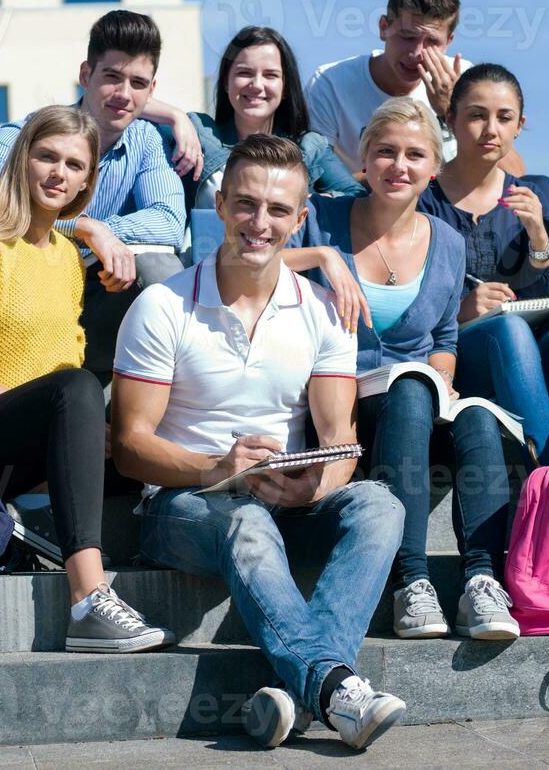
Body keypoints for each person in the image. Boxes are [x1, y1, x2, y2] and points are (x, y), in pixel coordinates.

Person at [111, 135, 408, 751]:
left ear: (301, 221)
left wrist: (313, 484)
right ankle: (336, 688)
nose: (259, 223)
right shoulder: (162, 306)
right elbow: (130, 445)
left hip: (283, 499)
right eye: (246, 205)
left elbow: (340, 442)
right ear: (220, 205)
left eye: (278, 211)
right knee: (243, 518)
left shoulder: (325, 312)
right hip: (183, 506)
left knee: (381, 506)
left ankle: (307, 689)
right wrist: (217, 469)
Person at [0, 105, 174, 652]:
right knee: (75, 390)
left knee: (135, 454)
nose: (59, 173)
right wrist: (48, 423)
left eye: (75, 165)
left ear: (87, 180)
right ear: (20, 161)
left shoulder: (63, 258)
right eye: (46, 156)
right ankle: (88, 601)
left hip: (18, 451)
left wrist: (73, 435)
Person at [284, 99, 521, 643]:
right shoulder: (321, 217)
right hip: (337, 397)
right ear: (363, 161)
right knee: (411, 386)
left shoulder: (449, 243)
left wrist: (443, 382)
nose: (399, 165)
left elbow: (442, 337)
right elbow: (254, 264)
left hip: (412, 411)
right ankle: (410, 582)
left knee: (477, 417)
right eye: (385, 152)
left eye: (415, 155)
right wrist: (323, 257)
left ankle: (482, 580)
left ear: (433, 168)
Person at [0, 9, 189, 381]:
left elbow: (168, 221)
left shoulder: (147, 140)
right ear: (86, 75)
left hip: (95, 293)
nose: (123, 94)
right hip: (20, 292)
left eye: (137, 83)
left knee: (161, 268)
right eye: (112, 78)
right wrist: (84, 228)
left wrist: (104, 230)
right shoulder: (23, 133)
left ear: (151, 91)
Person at [417, 64, 549, 466]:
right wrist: (461, 311)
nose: (491, 129)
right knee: (505, 329)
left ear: (520, 125)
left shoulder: (537, 190)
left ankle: (504, 417)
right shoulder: (422, 199)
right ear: (450, 119)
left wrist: (539, 237)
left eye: (504, 118)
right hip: (456, 353)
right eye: (476, 115)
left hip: (527, 348)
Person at [305, 0, 525, 177]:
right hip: (360, 208)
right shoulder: (331, 83)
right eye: (407, 37)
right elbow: (315, 179)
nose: (417, 53)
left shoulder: (467, 84)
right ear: (383, 28)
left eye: (431, 41)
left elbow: (517, 177)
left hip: (447, 211)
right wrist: (399, 181)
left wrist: (453, 112)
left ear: (448, 42)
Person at [144, 25, 363, 209]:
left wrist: (310, 202)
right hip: (207, 258)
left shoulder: (310, 146)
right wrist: (175, 117)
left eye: (270, 75)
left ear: (285, 87)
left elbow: (357, 197)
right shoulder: (197, 132)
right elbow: (124, 108)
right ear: (225, 82)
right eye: (244, 73)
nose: (257, 85)